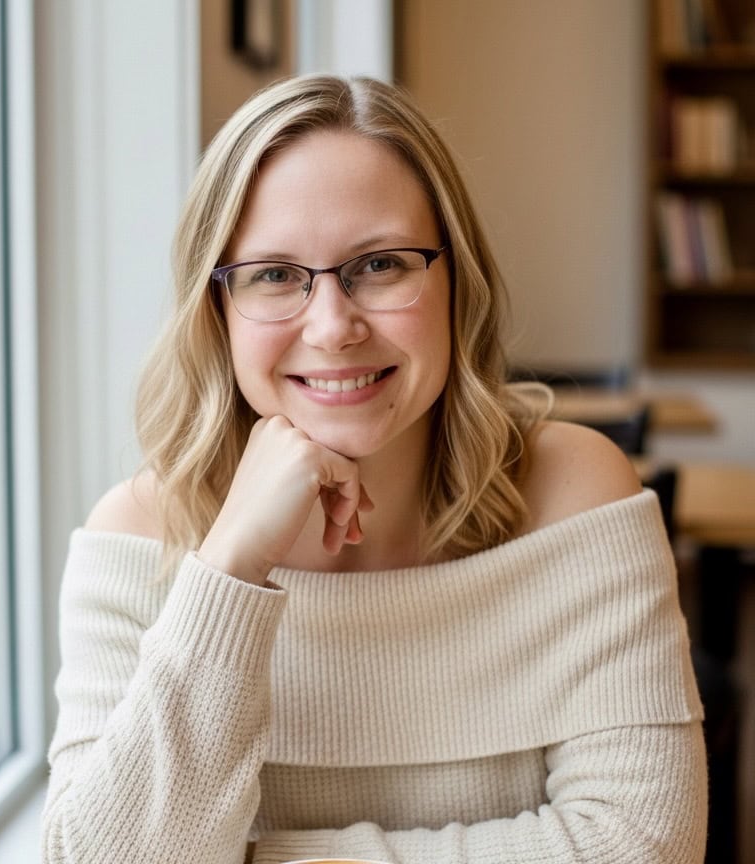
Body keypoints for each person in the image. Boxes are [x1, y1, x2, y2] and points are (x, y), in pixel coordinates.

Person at [41, 75, 707, 864]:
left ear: (457, 280)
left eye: (382, 264)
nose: (332, 326)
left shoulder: (574, 495)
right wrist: (228, 567)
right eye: (274, 275)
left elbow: (642, 846)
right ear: (214, 310)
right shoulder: (136, 540)